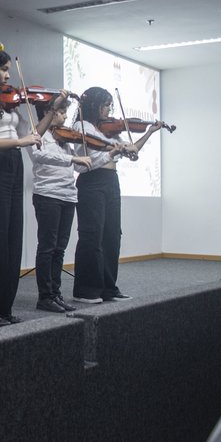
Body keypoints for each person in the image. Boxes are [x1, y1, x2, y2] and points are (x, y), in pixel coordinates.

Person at [0, 45, 67, 326]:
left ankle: (3, 307)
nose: (8, 75)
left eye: (8, 69)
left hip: (13, 165)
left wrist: (50, 111)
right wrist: (19, 142)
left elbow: (32, 135)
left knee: (10, 240)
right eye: (3, 69)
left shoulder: (8, 103)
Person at [71, 87, 161, 304]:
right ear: (93, 105)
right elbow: (91, 159)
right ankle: (86, 290)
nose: (108, 109)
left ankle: (109, 288)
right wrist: (114, 151)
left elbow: (132, 150)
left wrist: (149, 132)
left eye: (110, 105)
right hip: (92, 182)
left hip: (111, 181)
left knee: (112, 235)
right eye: (105, 104)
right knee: (92, 236)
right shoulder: (81, 125)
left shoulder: (109, 130)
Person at [27, 98, 116, 313]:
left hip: (68, 196)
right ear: (50, 112)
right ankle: (45, 296)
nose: (66, 117)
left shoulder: (65, 139)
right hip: (48, 194)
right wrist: (72, 160)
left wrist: (109, 155)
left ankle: (55, 294)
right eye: (61, 112)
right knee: (47, 248)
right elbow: (37, 156)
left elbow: (83, 167)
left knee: (59, 249)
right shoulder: (38, 134)